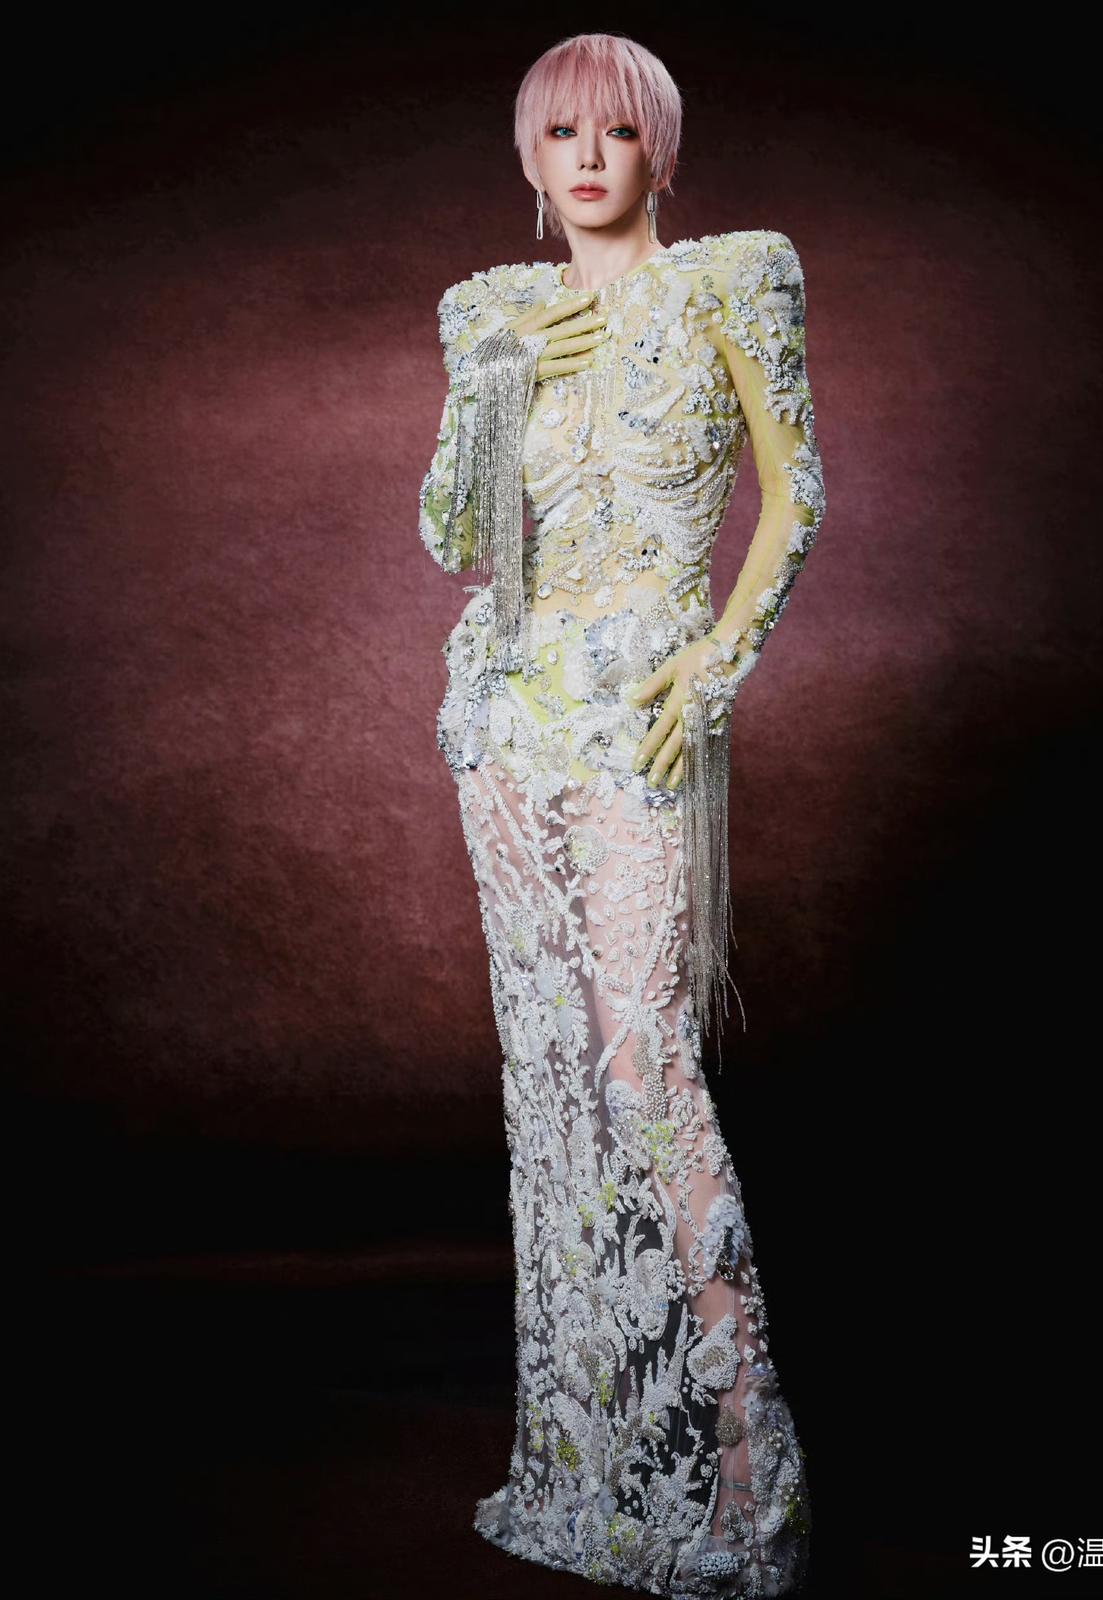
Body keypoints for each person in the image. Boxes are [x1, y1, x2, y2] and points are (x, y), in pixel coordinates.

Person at [417, 29, 825, 1597]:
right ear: (530, 158)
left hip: (642, 699)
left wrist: (716, 667)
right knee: (550, 1084)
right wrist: (502, 382)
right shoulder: (490, 310)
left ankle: (747, 1473)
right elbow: (458, 535)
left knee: (642, 1060)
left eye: (619, 131)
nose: (590, 159)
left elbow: (797, 492)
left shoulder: (736, 279)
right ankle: (588, 1469)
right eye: (561, 135)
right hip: (506, 714)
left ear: (660, 147)